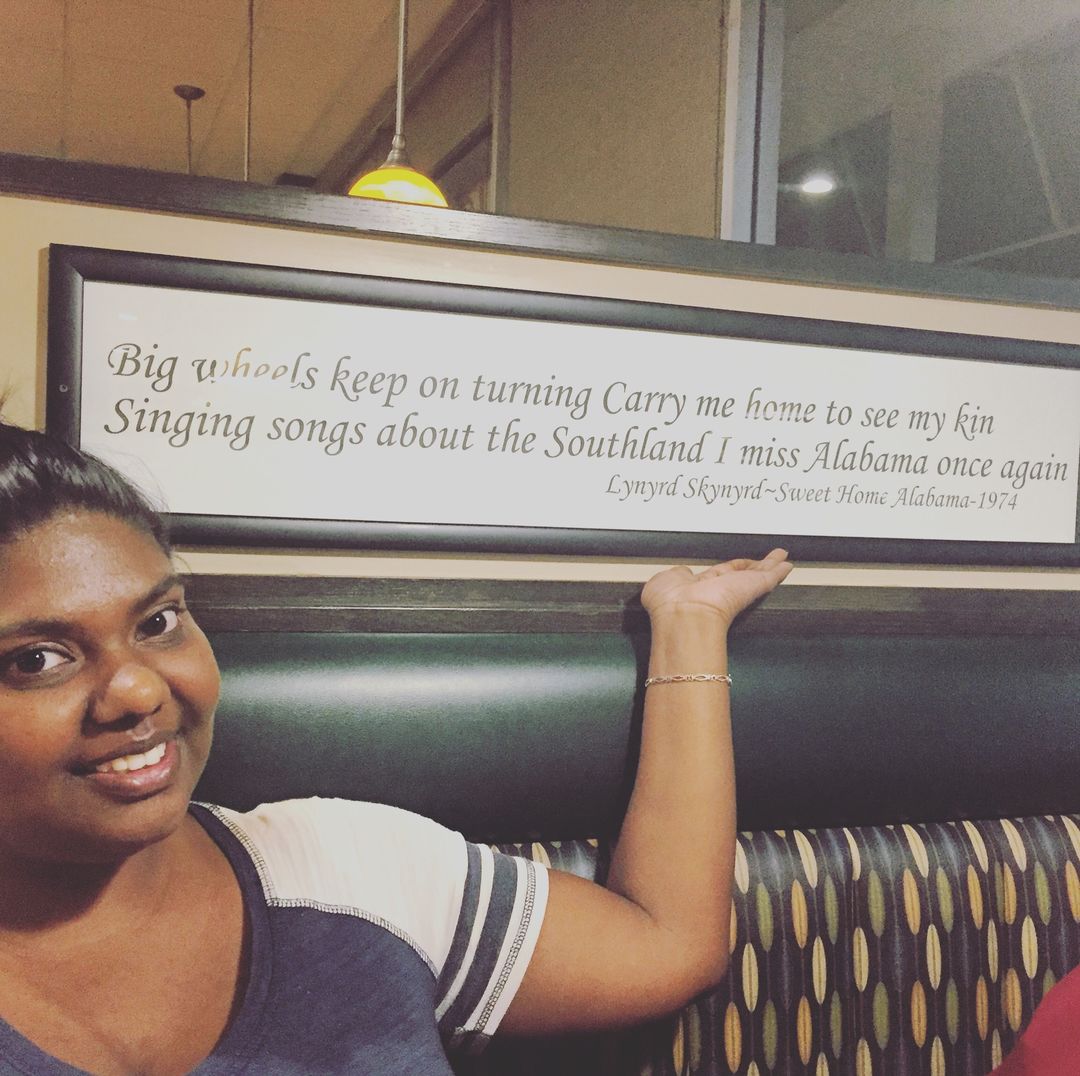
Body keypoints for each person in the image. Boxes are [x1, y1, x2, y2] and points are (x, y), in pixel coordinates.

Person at [0, 419, 792, 1075]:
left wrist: (690, 623)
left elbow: (665, 945)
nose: (138, 691)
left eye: (159, 621)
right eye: (36, 659)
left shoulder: (338, 869)